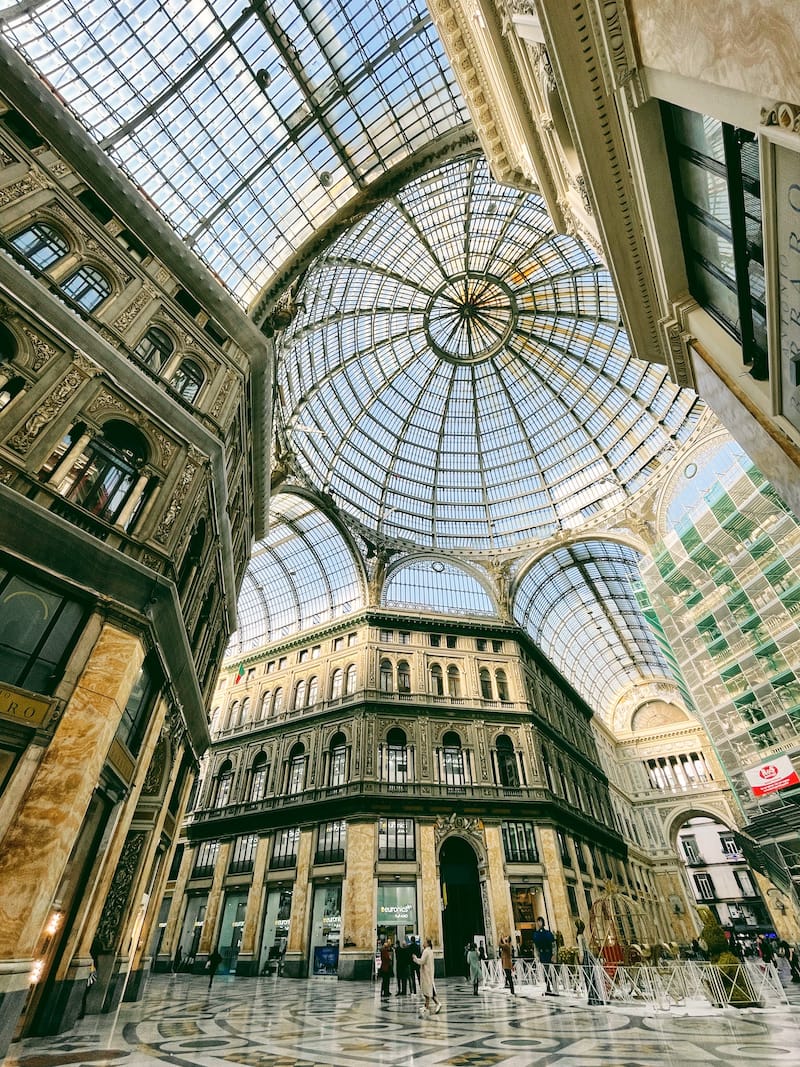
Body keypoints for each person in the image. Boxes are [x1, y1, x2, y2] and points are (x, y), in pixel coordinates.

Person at [575, 920, 604, 1005]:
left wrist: (580, 959)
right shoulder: (583, 936)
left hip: (585, 959)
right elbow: (587, 948)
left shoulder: (579, 937)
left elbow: (581, 950)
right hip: (589, 957)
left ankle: (591, 997)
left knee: (588, 977)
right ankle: (595, 996)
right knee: (592, 977)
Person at [533, 916, 557, 996]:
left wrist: (554, 954)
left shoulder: (548, 933)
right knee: (545, 972)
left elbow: (553, 944)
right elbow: (535, 946)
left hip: (549, 953)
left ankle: (554, 987)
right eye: (538, 922)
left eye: (540, 921)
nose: (539, 923)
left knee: (551, 971)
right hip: (542, 954)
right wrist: (537, 956)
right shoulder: (536, 934)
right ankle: (548, 987)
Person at [418, 938, 441, 1016]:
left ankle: (437, 1003)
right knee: (428, 991)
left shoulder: (426, 951)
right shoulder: (430, 951)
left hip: (426, 974)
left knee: (428, 991)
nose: (423, 943)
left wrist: (415, 959)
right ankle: (426, 1006)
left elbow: (422, 961)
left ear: (427, 943)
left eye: (424, 942)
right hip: (429, 973)